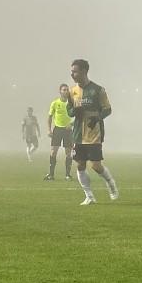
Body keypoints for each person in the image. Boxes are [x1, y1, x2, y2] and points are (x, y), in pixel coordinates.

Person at [68, 59, 118, 204]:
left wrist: (97, 118)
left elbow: (108, 109)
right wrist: (73, 111)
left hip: (93, 133)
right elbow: (69, 111)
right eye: (71, 72)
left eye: (75, 71)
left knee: (96, 166)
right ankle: (89, 197)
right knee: (80, 165)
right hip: (78, 134)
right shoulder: (72, 91)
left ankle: (111, 183)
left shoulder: (97, 90)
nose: (72, 74)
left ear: (84, 71)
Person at [46, 84, 74, 180]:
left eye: (67, 90)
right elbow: (49, 117)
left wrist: (72, 124)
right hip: (57, 129)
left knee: (68, 153)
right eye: (64, 90)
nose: (66, 91)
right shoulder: (55, 103)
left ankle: (67, 175)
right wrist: (49, 129)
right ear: (60, 91)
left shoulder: (71, 103)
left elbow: (79, 116)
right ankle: (51, 174)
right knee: (53, 152)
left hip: (68, 130)